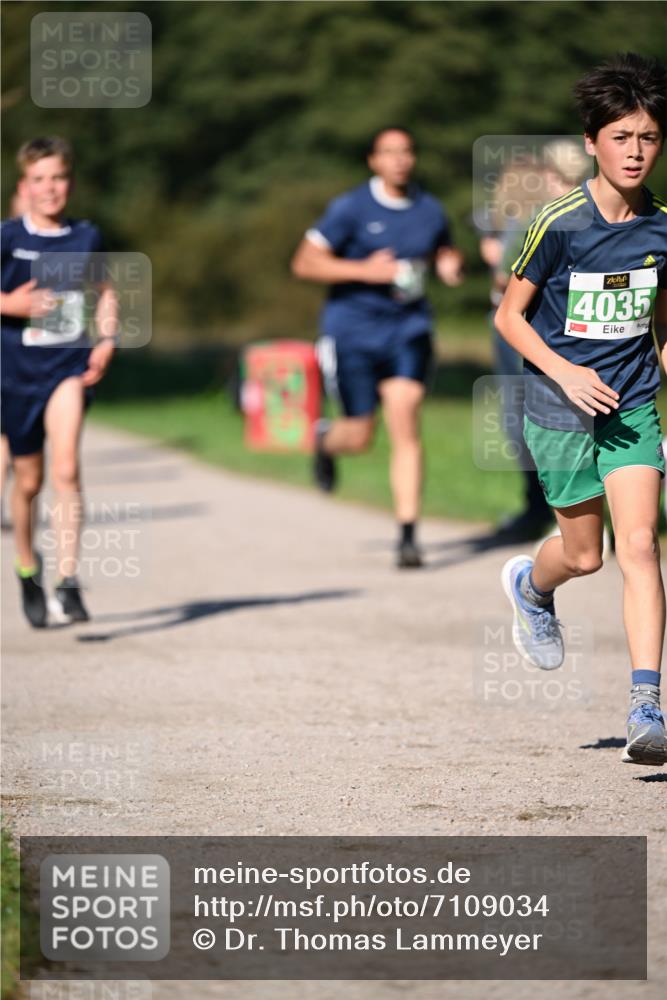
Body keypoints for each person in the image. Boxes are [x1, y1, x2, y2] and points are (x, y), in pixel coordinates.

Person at [495, 53, 667, 766]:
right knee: (584, 556)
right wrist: (565, 372)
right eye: (620, 136)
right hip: (558, 407)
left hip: (631, 406)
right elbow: (509, 317)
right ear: (592, 141)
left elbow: (662, 327)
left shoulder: (663, 229)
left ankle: (646, 704)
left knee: (639, 546)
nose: (634, 151)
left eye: (648, 137)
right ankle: (530, 588)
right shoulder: (557, 223)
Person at [291, 127, 463, 568]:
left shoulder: (430, 209)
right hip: (353, 333)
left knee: (405, 412)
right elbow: (304, 263)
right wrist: (364, 270)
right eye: (389, 153)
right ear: (373, 160)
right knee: (361, 435)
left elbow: (443, 248)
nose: (400, 160)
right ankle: (327, 441)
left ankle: (408, 536)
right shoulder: (350, 208)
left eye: (407, 151)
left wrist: (448, 263)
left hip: (408, 328)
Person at [0, 136, 118, 627]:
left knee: (66, 468)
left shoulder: (86, 237)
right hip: (13, 374)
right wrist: (12, 305)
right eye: (40, 179)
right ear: (25, 186)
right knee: (29, 481)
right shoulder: (6, 237)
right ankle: (29, 567)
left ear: (70, 182)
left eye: (59, 178)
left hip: (66, 367)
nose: (51, 189)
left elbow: (106, 291)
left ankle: (68, 582)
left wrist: (107, 340)